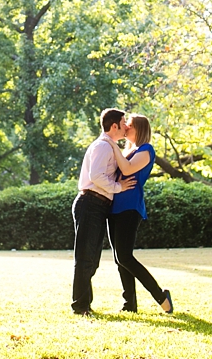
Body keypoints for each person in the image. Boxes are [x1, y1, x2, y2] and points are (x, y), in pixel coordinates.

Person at [105, 113, 173, 314]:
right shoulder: (127, 151)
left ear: (140, 129)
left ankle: (160, 296)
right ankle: (130, 304)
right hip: (114, 206)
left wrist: (111, 144)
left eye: (130, 126)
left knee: (125, 256)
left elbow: (127, 170)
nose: (125, 128)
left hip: (130, 206)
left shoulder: (146, 150)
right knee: (120, 258)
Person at [71, 108, 136, 315]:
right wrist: (119, 188)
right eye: (124, 122)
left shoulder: (110, 146)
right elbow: (97, 176)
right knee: (85, 258)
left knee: (92, 259)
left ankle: (84, 304)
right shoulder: (103, 146)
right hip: (91, 202)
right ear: (114, 125)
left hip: (98, 205)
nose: (126, 126)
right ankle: (80, 307)